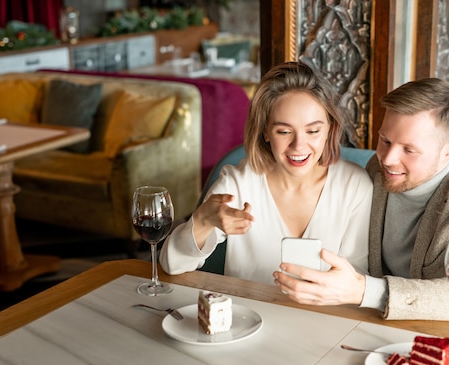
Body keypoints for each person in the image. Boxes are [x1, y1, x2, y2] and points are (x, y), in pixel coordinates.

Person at [273, 77, 449, 338]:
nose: (388, 158)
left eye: (409, 150)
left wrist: (363, 290)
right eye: (385, 140)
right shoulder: (377, 170)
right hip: (407, 331)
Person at [159, 61, 373, 283]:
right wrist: (202, 220)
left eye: (313, 131)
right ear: (265, 132)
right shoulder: (238, 184)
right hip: (247, 316)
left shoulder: (355, 186)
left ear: (330, 129)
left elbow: (357, 278)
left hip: (327, 316)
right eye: (284, 131)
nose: (299, 145)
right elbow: (172, 264)